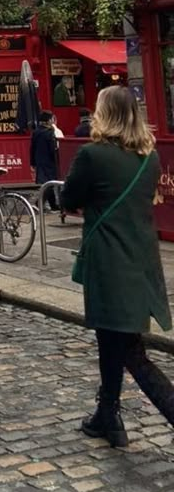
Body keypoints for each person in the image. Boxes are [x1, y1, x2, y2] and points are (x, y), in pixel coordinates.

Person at [61, 86, 174, 448]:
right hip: (141, 260)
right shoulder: (149, 157)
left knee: (128, 350)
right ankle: (107, 417)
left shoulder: (93, 155)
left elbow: (69, 199)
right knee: (113, 341)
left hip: (110, 263)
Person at [30, 110, 59, 209]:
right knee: (49, 184)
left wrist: (32, 162)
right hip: (49, 161)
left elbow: (32, 148)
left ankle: (53, 205)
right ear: (49, 120)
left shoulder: (36, 132)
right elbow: (52, 149)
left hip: (40, 161)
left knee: (48, 182)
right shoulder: (50, 132)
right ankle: (39, 203)